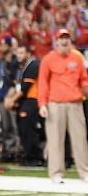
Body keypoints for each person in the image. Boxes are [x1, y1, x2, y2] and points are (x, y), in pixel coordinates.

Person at [36, 28, 88, 183]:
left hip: (75, 103)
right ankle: (56, 173)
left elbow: (83, 79)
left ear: (70, 40)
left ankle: (84, 171)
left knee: (80, 139)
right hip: (55, 104)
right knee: (55, 139)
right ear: (56, 41)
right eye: (61, 38)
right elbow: (43, 83)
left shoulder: (78, 59)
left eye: (67, 38)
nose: (64, 41)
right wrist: (42, 104)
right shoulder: (48, 59)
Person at [4, 44, 44, 167]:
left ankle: (34, 157)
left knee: (29, 130)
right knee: (24, 129)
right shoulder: (22, 68)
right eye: (18, 53)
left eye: (22, 53)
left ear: (28, 54)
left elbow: (25, 88)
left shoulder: (33, 65)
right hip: (26, 101)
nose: (19, 55)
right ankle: (29, 156)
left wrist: (12, 100)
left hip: (32, 100)